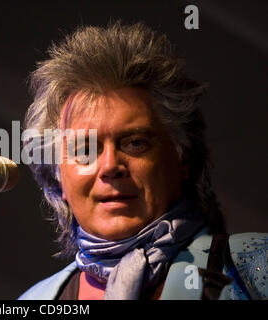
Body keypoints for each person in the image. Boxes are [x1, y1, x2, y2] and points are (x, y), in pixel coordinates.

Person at [18, 22, 267, 300]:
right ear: (57, 177)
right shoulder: (33, 300)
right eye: (85, 150)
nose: (111, 166)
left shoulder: (254, 265)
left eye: (135, 143)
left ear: (182, 157)